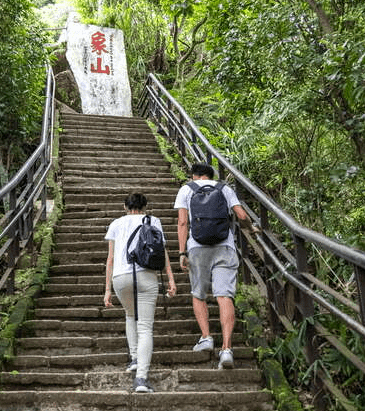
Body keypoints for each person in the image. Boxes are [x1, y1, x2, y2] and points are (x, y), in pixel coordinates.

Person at [175, 163, 259, 369]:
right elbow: (241, 215)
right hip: (225, 247)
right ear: (210, 175)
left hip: (197, 247)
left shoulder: (187, 189)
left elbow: (183, 222)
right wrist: (251, 229)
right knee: (224, 295)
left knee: (199, 294)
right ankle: (227, 349)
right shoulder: (225, 188)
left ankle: (206, 337)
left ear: (194, 176)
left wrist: (182, 252)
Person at [104, 192, 177, 392]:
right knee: (145, 327)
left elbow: (110, 259)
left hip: (120, 277)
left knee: (130, 314)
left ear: (124, 206)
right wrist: (171, 279)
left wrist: (107, 289)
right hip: (147, 276)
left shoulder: (116, 224)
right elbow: (162, 253)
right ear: (145, 207)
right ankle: (141, 379)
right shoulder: (154, 221)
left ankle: (134, 358)